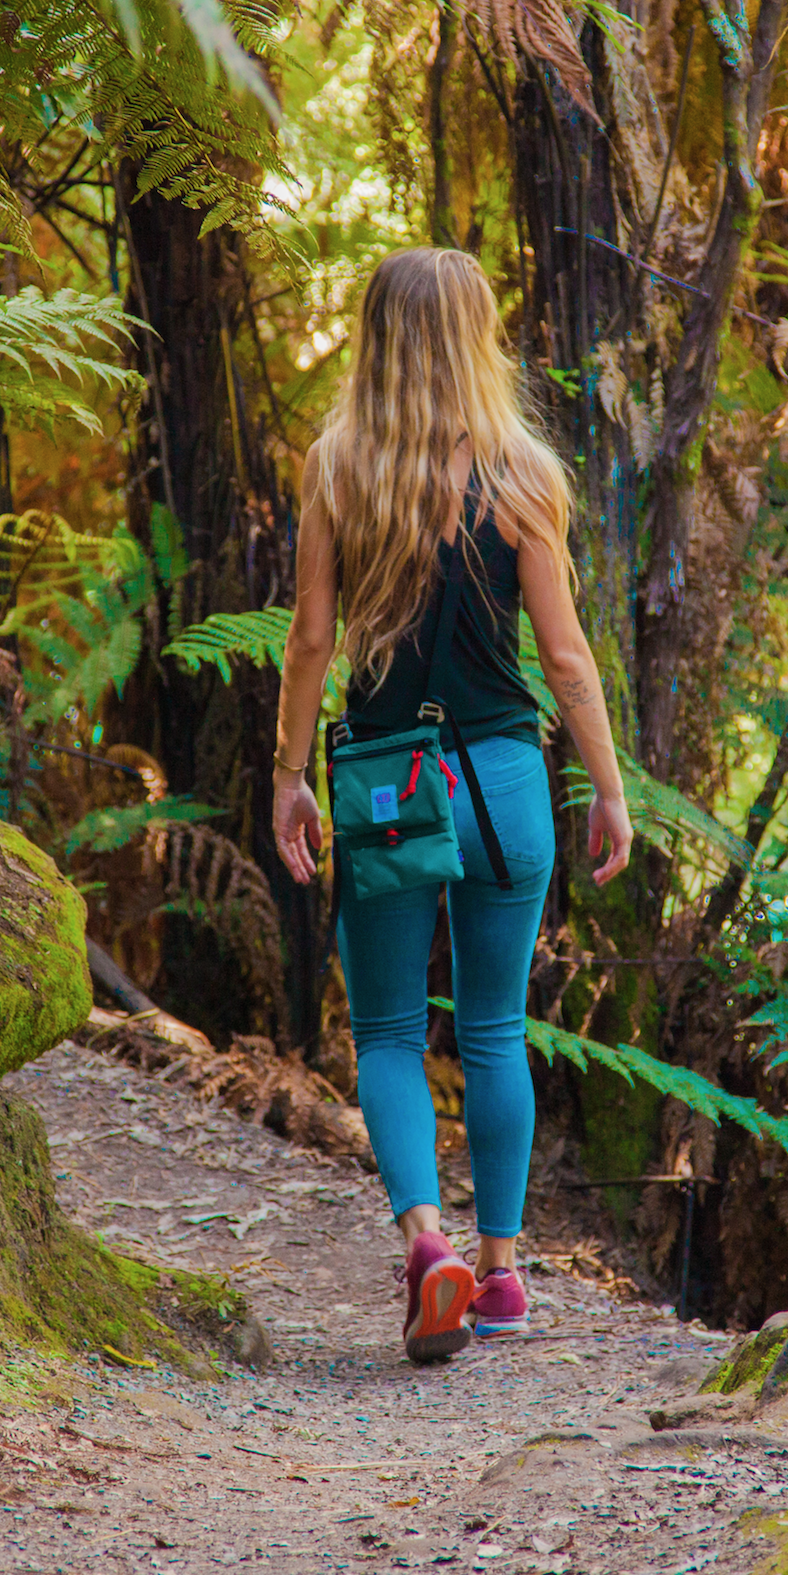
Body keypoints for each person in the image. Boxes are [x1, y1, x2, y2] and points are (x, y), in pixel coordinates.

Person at [271, 247, 634, 1365]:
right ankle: (507, 1271)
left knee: (385, 1026)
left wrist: (289, 773)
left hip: (390, 784)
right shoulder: (525, 474)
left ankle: (429, 1243)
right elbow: (566, 659)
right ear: (478, 338)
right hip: (506, 783)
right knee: (491, 1031)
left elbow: (314, 641)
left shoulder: (340, 469)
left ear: (376, 337)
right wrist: (607, 787)